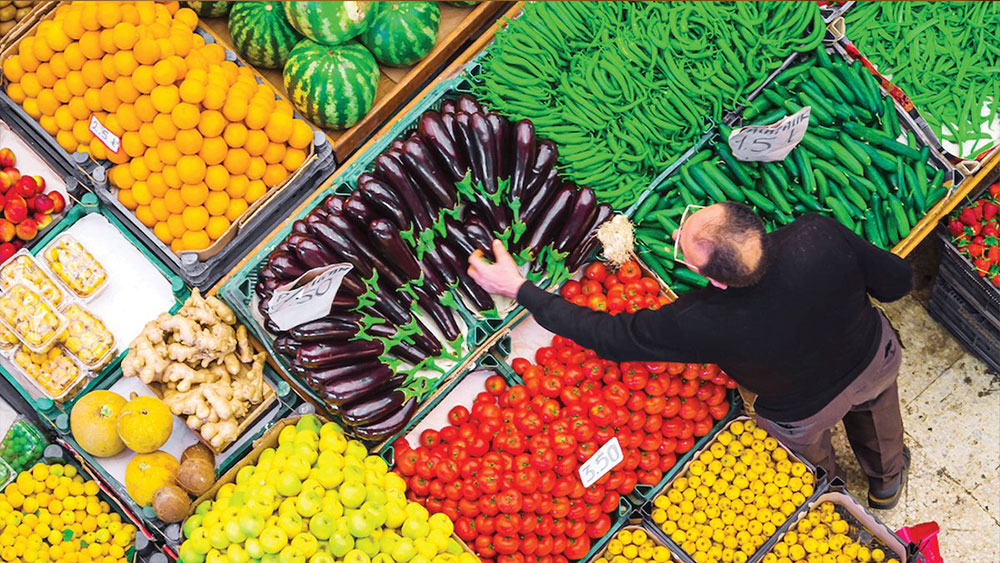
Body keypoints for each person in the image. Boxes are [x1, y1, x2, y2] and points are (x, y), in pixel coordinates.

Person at [467, 202, 912, 509]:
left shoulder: (701, 318)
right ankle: (886, 482)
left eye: (685, 237)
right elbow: (897, 283)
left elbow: (608, 336)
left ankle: (831, 494)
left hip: (802, 410)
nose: (677, 232)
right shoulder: (817, 233)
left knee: (809, 458)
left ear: (715, 280)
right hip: (872, 357)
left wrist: (520, 289)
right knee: (878, 413)